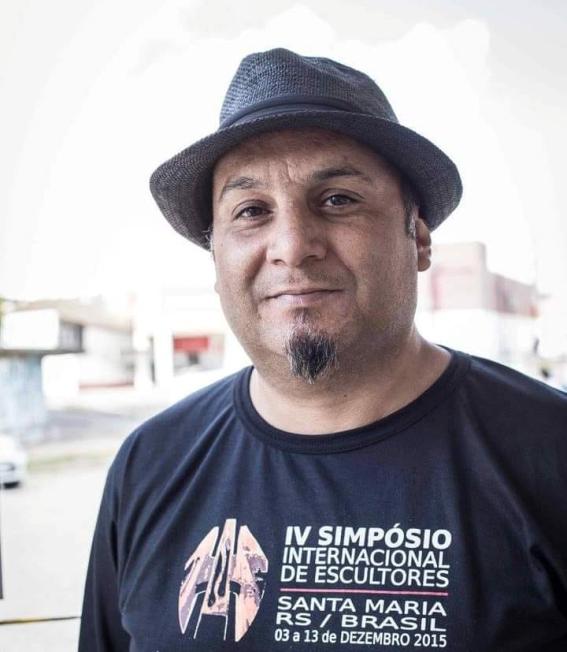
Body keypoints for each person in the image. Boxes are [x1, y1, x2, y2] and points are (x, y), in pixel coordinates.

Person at [79, 48, 567, 651]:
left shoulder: (551, 451)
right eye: (251, 211)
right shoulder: (150, 464)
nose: (292, 246)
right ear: (217, 261)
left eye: (338, 199)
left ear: (417, 238)